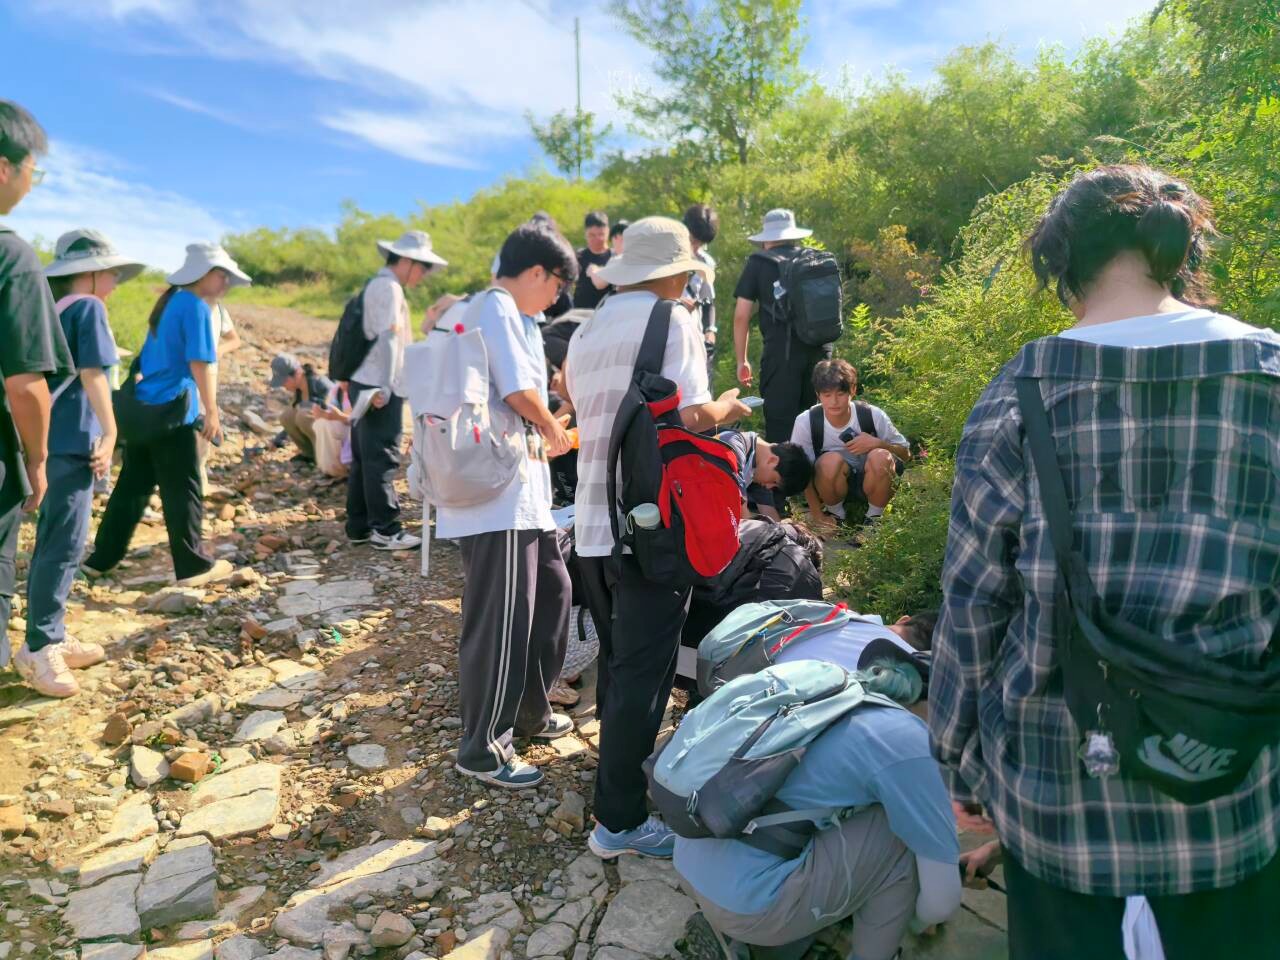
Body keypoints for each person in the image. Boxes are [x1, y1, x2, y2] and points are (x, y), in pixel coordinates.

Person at [930, 165, 1280, 960]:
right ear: (1182, 251)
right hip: (1232, 793)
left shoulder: (1020, 393)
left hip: (1057, 801)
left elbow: (973, 603)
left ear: (1061, 264)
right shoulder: (1268, 375)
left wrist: (959, 765)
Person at [564, 216, 751, 858]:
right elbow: (690, 415)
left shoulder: (587, 328)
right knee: (644, 675)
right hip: (650, 526)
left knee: (622, 664)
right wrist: (728, 409)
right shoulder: (670, 321)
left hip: (592, 523)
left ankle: (612, 785)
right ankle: (618, 822)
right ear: (673, 273)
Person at [673, 657, 960, 960]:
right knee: (899, 838)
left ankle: (753, 944)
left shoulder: (830, 696)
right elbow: (941, 904)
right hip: (747, 907)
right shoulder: (911, 740)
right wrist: (918, 906)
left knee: (831, 816)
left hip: (689, 854)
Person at [436, 222, 577, 789]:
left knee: (553, 593)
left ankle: (529, 712)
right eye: (557, 286)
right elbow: (519, 392)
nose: (556, 298)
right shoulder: (495, 306)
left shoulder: (509, 314)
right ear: (537, 272)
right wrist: (551, 426)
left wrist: (546, 425)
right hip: (498, 498)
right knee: (502, 620)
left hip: (519, 492)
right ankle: (483, 748)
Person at [13, 231, 142, 697]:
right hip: (71, 443)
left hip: (52, 440)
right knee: (63, 544)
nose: (115, 282)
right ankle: (40, 645)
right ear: (88, 274)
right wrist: (111, 432)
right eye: (111, 273)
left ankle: (50, 632)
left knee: (54, 540)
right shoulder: (88, 308)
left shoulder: (54, 310)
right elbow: (94, 374)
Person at [83, 244, 250, 588]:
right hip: (174, 411)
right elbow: (200, 363)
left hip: (146, 409)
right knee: (183, 490)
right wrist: (212, 411)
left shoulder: (171, 301)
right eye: (222, 274)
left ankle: (100, 560)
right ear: (203, 274)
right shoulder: (196, 306)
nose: (226, 282)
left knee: (132, 487)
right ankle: (193, 567)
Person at [0, 100, 74, 673]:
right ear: (5, 168)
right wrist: (38, 459)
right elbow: (25, 385)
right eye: (33, 170)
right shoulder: (12, 257)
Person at [345, 230, 445, 551]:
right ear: (405, 261)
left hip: (363, 380)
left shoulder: (374, 285)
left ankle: (358, 525)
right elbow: (389, 338)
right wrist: (386, 386)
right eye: (422, 267)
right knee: (382, 456)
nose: (423, 275)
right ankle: (386, 529)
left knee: (364, 456)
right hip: (379, 384)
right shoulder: (390, 288)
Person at [733, 209, 832, 442]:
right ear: (793, 235)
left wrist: (741, 360)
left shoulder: (758, 263)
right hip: (820, 352)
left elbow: (741, 316)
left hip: (781, 356)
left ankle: (786, 467)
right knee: (818, 425)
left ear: (767, 238)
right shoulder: (813, 258)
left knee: (781, 432)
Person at [792, 359, 909, 529]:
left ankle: (874, 519)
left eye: (840, 394)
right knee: (828, 462)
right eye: (827, 395)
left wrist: (878, 443)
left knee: (881, 456)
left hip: (873, 479)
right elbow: (801, 472)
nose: (834, 402)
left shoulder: (872, 415)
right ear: (818, 395)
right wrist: (817, 515)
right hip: (831, 484)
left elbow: (906, 454)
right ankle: (836, 516)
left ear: (853, 390)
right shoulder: (806, 421)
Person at [716, 428, 811, 521]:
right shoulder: (733, 446)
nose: (769, 487)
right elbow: (742, 514)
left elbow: (769, 513)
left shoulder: (758, 467)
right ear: (773, 460)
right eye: (774, 481)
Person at [270, 353, 335, 464]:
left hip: (336, 432)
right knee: (287, 416)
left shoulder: (321, 384)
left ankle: (328, 458)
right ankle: (310, 455)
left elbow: (336, 410)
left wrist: (311, 406)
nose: (284, 386)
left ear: (297, 373)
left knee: (303, 416)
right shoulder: (299, 390)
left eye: (285, 381)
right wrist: (278, 440)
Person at [682, 204, 719, 380]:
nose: (696, 246)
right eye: (693, 240)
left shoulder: (706, 262)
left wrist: (710, 331)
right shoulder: (665, 256)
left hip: (693, 331)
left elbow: (708, 300)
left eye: (701, 242)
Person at [572, 211, 612, 311]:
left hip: (608, 312)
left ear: (608, 232)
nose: (597, 239)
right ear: (585, 234)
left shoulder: (614, 258)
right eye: (592, 235)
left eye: (601, 234)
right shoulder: (577, 258)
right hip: (580, 313)